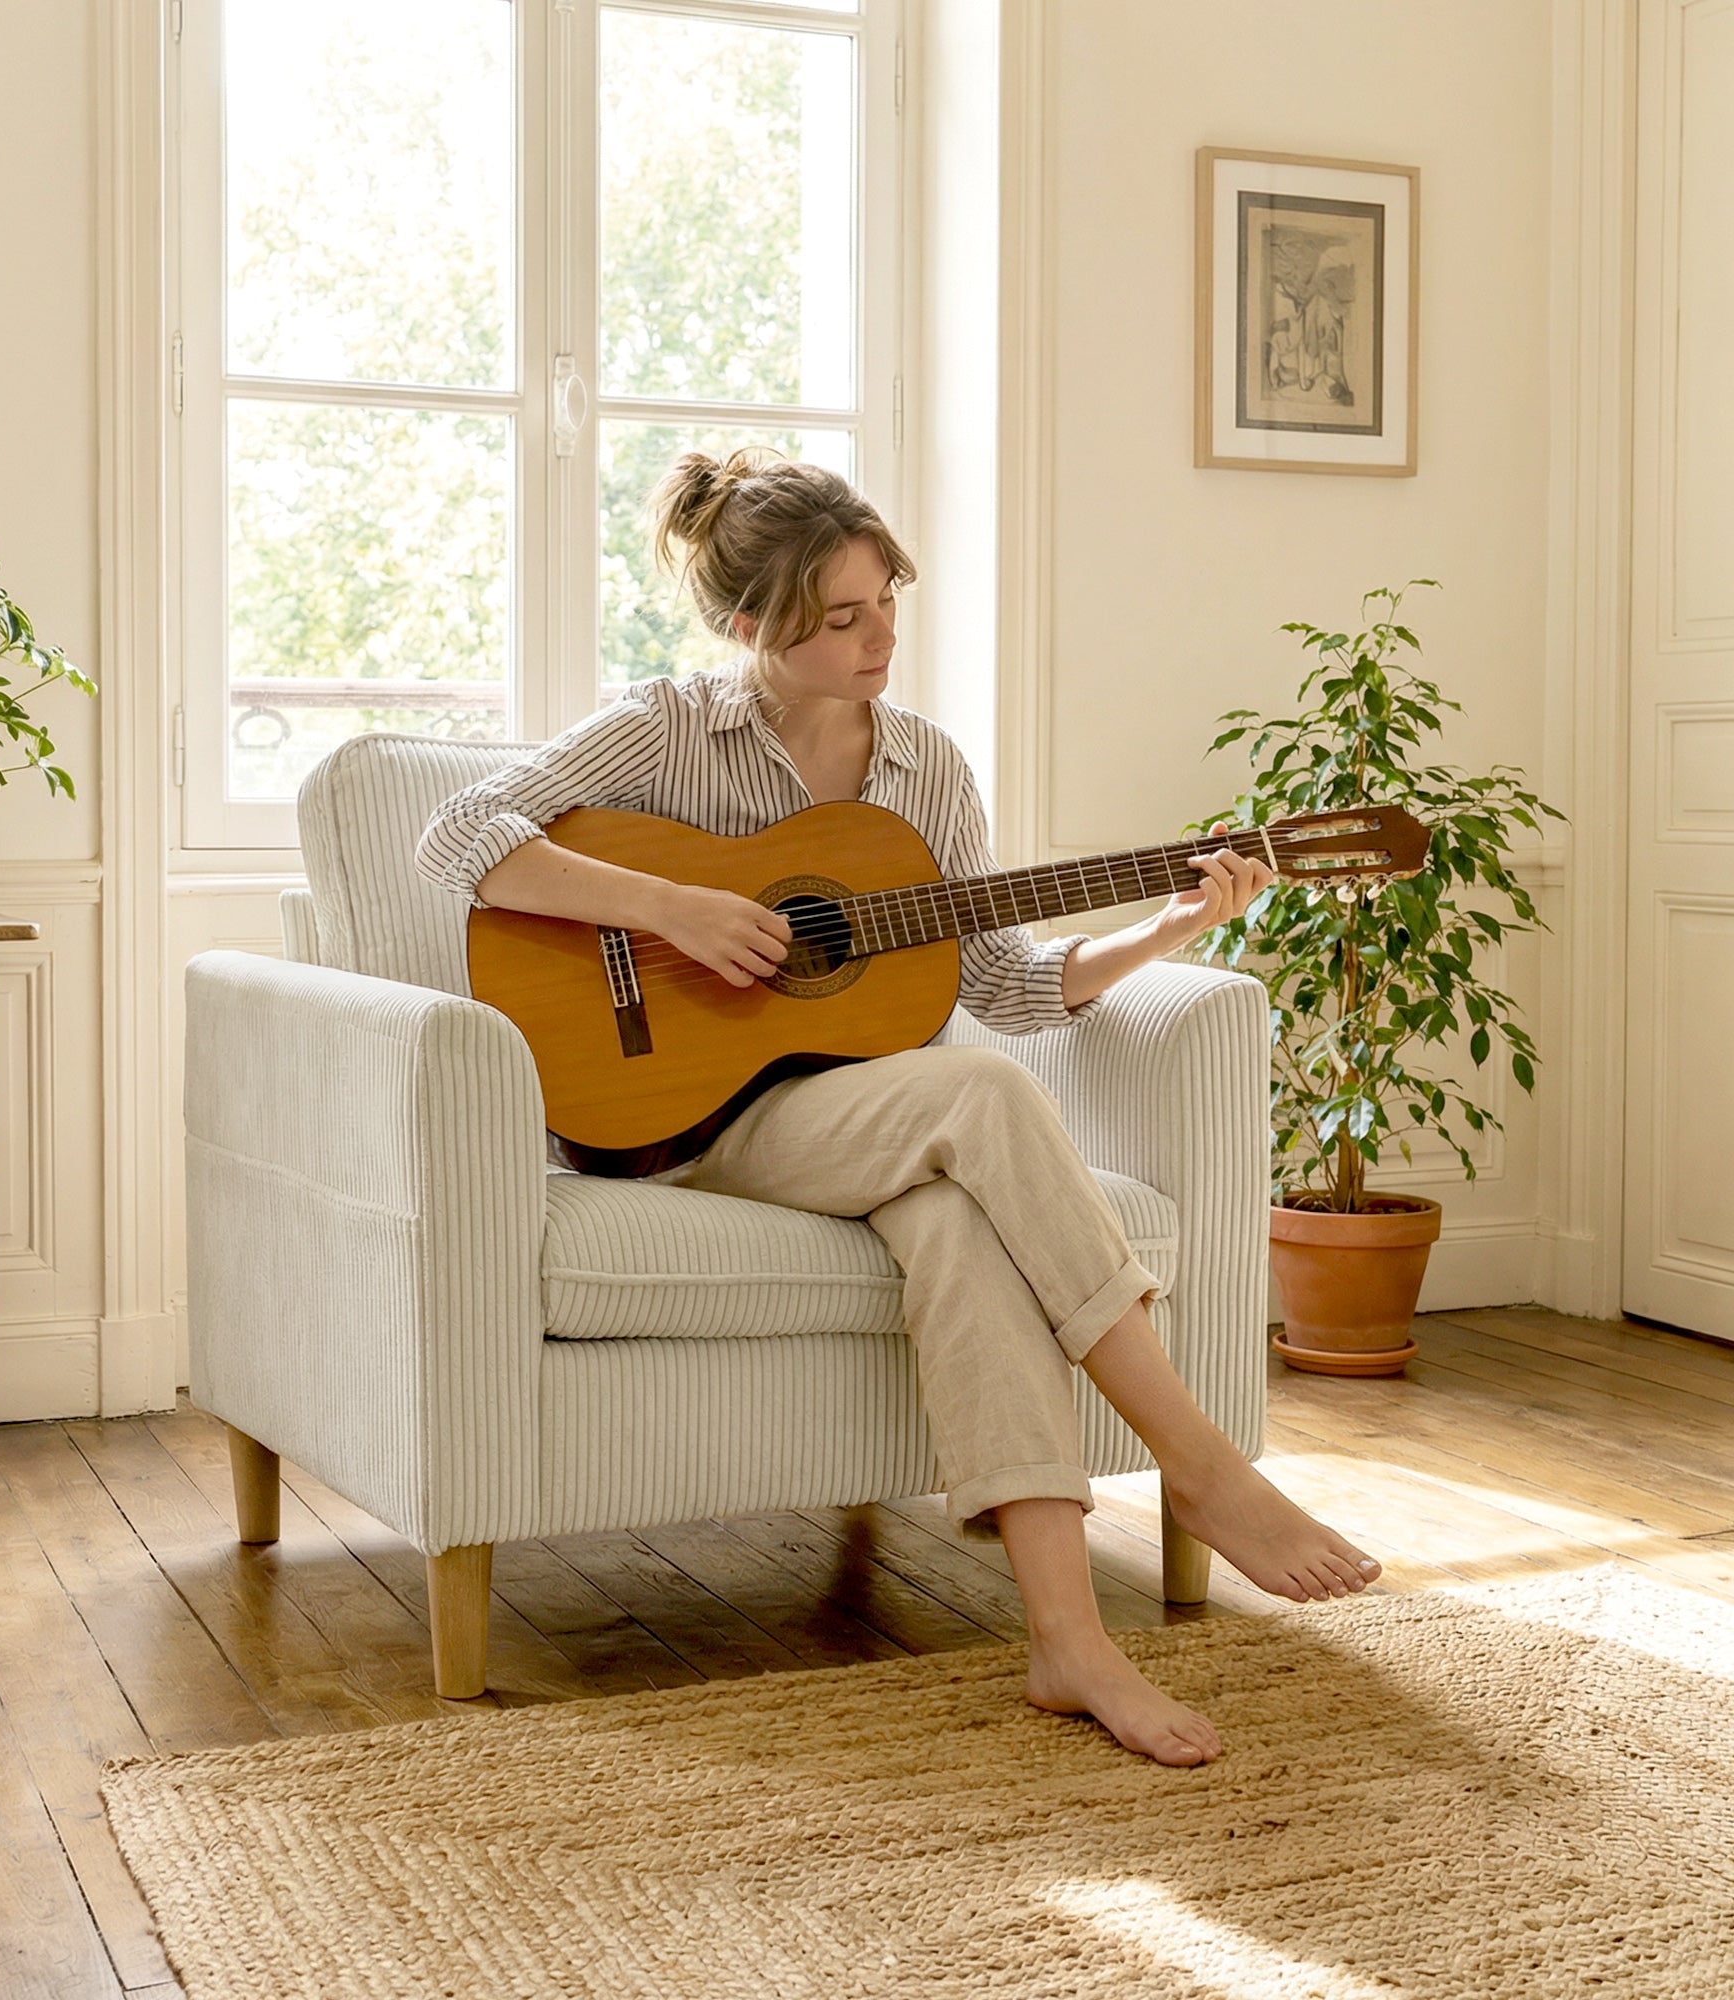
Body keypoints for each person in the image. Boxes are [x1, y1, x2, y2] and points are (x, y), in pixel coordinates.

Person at [416, 448, 1380, 1767]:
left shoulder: (926, 769)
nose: (880, 641)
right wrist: (674, 906)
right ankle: (1197, 1459)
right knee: (975, 1097)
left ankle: (1068, 1642)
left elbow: (1005, 985)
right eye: (843, 618)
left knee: (959, 1227)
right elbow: (457, 834)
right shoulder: (664, 728)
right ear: (751, 624)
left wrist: (1165, 929)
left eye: (887, 604)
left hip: (874, 1118)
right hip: (687, 1123)